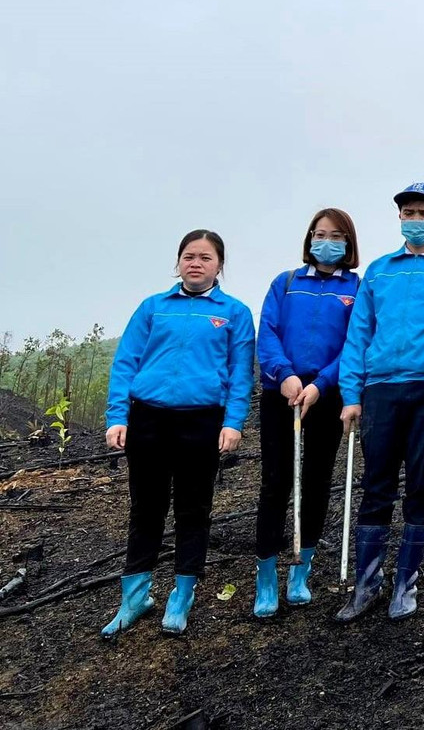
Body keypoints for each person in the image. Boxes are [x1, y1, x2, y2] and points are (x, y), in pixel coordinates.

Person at [101, 230, 254, 637]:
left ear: (220, 265)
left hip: (201, 421)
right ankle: (134, 596)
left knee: (193, 510)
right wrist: (118, 416)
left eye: (205, 257)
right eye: (189, 256)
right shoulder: (153, 308)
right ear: (178, 262)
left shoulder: (235, 313)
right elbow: (126, 362)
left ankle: (181, 596)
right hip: (147, 419)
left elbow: (241, 375)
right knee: (145, 509)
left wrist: (233, 422)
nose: (196, 263)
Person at [335, 183, 424, 622]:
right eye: (408, 211)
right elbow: (358, 334)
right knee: (376, 484)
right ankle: (367, 584)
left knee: (422, 481)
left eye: (423, 211)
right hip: (380, 390)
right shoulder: (378, 270)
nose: (415, 218)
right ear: (399, 218)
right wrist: (351, 395)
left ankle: (405, 585)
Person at [252, 208, 361, 617]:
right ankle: (266, 577)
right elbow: (269, 333)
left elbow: (353, 344)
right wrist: (283, 375)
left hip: (325, 395)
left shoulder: (356, 287)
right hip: (281, 392)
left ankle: (301, 572)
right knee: (276, 482)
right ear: (308, 239)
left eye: (335, 235)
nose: (326, 241)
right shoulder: (286, 282)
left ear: (348, 242)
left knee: (315, 482)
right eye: (319, 234)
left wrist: (321, 384)